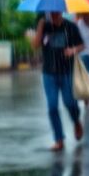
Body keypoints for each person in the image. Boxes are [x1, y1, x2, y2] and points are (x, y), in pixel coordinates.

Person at [31, 12, 85, 152]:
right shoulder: (45, 26)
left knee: (70, 103)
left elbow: (81, 45)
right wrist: (40, 27)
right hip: (49, 73)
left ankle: (76, 121)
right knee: (52, 107)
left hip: (67, 71)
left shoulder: (70, 27)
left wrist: (73, 50)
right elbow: (35, 45)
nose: (53, 14)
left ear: (60, 12)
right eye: (50, 12)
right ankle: (59, 139)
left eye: (55, 11)